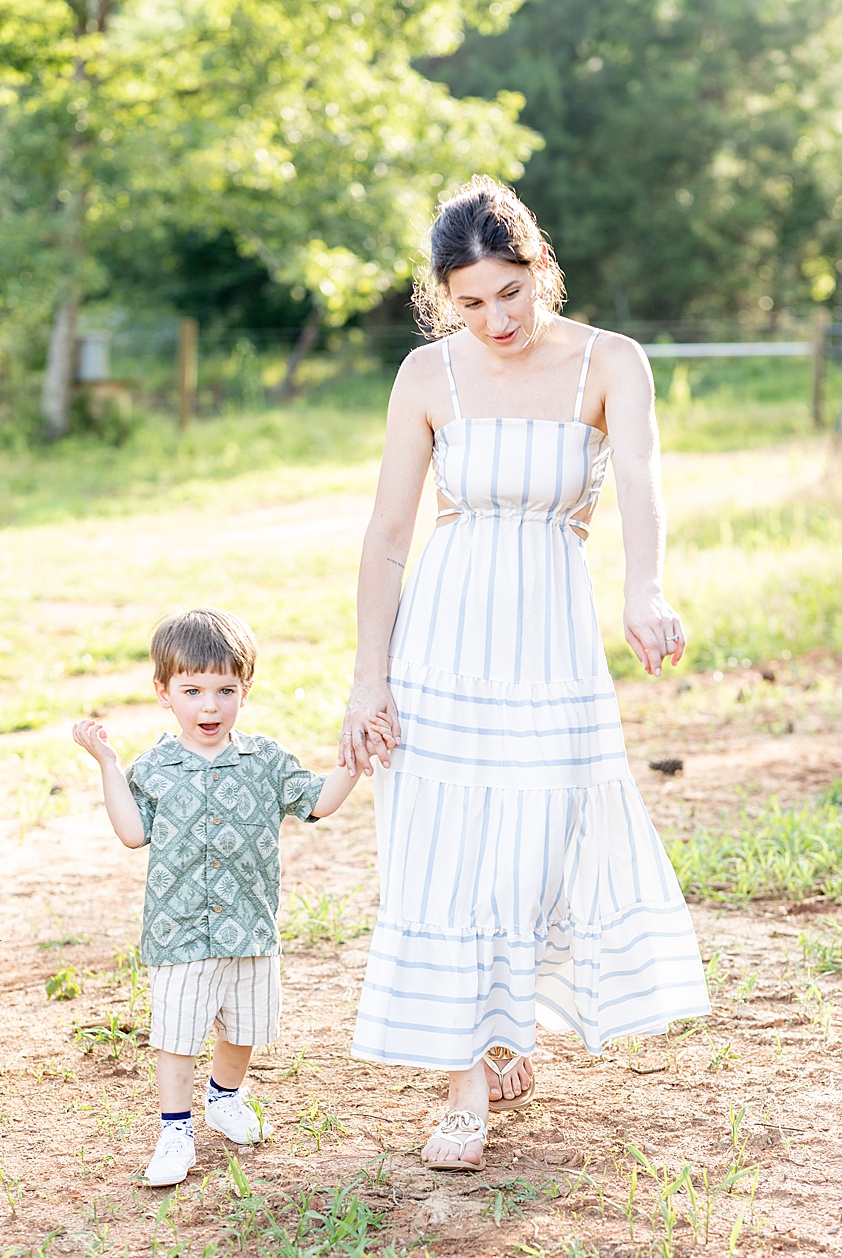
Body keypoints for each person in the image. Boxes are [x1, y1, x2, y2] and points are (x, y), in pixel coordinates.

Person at [338, 176, 709, 1170]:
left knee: (537, 837)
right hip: (445, 637)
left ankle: (504, 1024)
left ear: (540, 266)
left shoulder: (609, 361)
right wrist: (369, 678)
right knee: (444, 846)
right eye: (470, 302)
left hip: (551, 632)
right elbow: (385, 538)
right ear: (442, 300)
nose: (495, 319)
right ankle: (464, 1078)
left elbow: (639, 482)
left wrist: (645, 591)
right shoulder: (426, 376)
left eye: (510, 291)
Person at [71, 609, 375, 1187]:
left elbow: (320, 801)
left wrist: (353, 760)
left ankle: (225, 1098)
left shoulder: (265, 762)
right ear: (163, 692)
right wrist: (108, 765)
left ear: (245, 688)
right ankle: (175, 1130)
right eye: (191, 691)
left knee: (244, 1028)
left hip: (250, 928)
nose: (208, 707)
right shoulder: (155, 767)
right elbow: (133, 833)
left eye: (224, 691)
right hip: (180, 932)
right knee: (178, 1035)